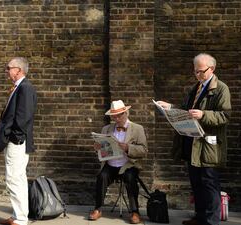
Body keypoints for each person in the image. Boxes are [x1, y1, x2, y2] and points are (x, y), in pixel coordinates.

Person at [157, 53, 231, 225]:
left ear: (211, 69)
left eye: (201, 71)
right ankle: (200, 217)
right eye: (195, 71)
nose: (197, 75)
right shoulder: (195, 88)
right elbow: (186, 111)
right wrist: (170, 108)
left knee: (209, 183)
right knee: (196, 182)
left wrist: (204, 114)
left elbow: (225, 116)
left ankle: (211, 222)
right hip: (192, 142)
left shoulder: (221, 88)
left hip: (209, 145)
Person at [88, 100, 147, 224]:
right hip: (110, 165)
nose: (117, 118)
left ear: (126, 113)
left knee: (131, 178)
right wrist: (98, 148)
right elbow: (101, 150)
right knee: (101, 176)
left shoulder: (137, 129)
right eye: (114, 116)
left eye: (119, 115)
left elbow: (143, 150)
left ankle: (135, 211)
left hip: (128, 164)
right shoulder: (106, 128)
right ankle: (98, 209)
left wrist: (128, 148)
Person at [0, 57, 37, 225]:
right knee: (17, 178)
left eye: (9, 68)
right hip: (16, 140)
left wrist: (12, 137)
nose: (6, 71)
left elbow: (23, 118)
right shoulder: (19, 87)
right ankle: (18, 215)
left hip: (17, 141)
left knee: (14, 178)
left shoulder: (25, 88)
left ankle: (20, 219)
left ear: (19, 70)